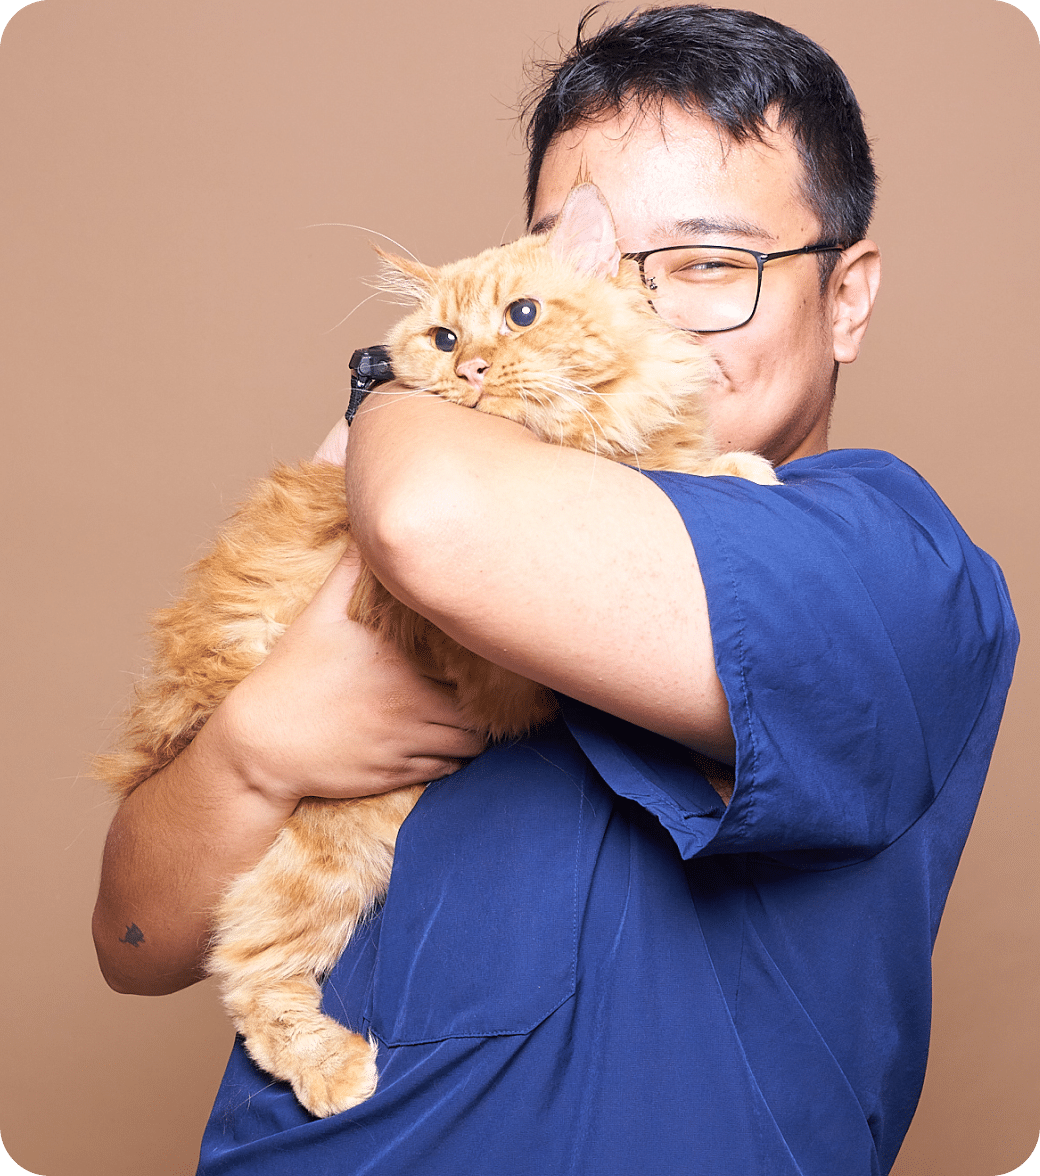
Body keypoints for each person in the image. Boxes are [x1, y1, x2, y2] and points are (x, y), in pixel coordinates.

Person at [92, 6, 1018, 1174]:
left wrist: (395, 386)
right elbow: (134, 939)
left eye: (704, 265)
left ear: (845, 299)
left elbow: (435, 519)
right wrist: (255, 748)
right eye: (577, 265)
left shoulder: (892, 562)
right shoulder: (426, 499)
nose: (618, 314)